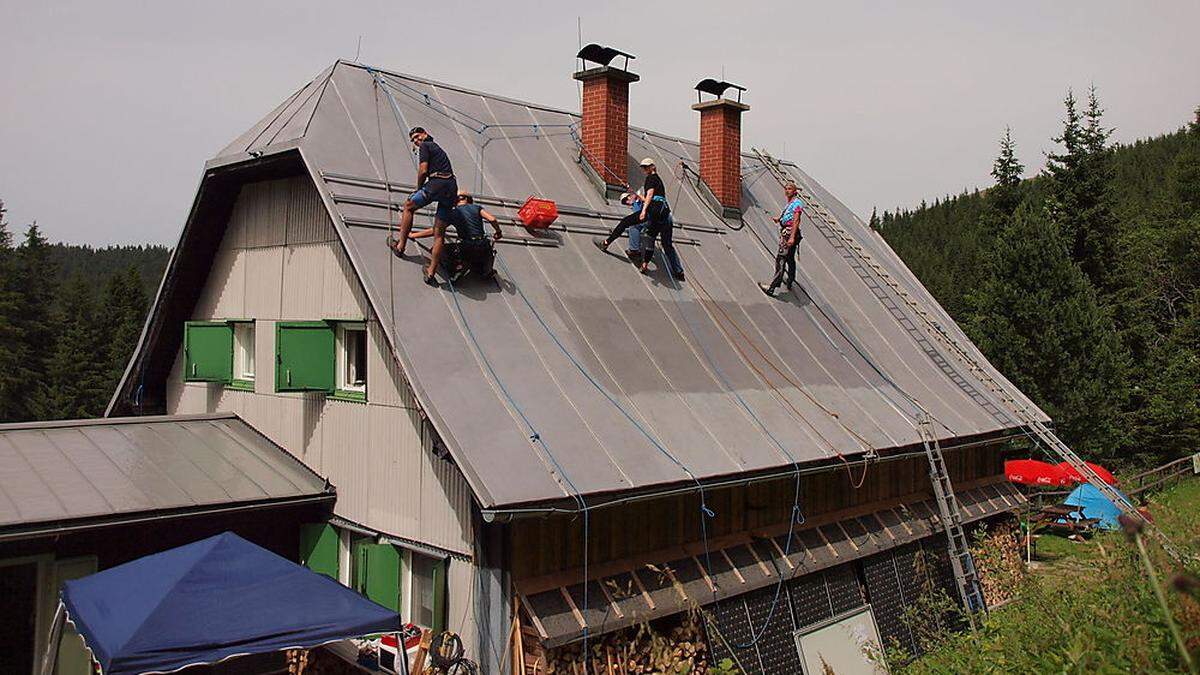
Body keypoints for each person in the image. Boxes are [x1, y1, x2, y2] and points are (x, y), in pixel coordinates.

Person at [391, 127, 458, 287]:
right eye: (413, 139)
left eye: (416, 136)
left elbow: (423, 170)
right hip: (451, 187)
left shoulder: (426, 146)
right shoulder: (439, 149)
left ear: (425, 134)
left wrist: (419, 188)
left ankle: (400, 246)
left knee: (409, 207)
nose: (415, 140)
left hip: (437, 184)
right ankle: (431, 273)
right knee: (439, 233)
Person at [410, 191, 503, 282]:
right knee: (481, 257)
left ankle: (455, 270)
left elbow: (435, 231)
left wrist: (413, 235)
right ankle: (484, 270)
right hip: (484, 246)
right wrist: (498, 232)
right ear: (468, 200)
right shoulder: (476, 208)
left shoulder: (453, 213)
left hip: (467, 247)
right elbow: (492, 219)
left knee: (438, 249)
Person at [635, 158, 685, 281]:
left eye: (646, 167)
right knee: (667, 244)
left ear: (652, 167)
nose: (644, 170)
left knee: (648, 236)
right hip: (666, 215)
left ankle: (644, 262)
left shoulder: (651, 179)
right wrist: (638, 196)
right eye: (644, 167)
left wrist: (643, 210)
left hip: (656, 215)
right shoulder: (658, 181)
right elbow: (652, 197)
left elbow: (650, 195)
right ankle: (678, 271)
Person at [759, 180, 806, 296]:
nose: (787, 190)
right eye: (786, 188)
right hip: (788, 230)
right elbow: (788, 217)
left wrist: (791, 237)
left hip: (789, 232)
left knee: (780, 259)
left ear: (795, 191)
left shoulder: (797, 203)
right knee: (789, 258)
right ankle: (790, 280)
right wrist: (779, 220)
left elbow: (796, 220)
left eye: (789, 188)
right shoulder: (789, 204)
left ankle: (772, 287)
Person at [592, 191, 648, 262]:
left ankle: (634, 251)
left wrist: (637, 195)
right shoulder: (634, 206)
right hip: (645, 222)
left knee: (633, 226)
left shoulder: (639, 200)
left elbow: (645, 200)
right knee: (632, 226)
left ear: (631, 196)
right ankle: (635, 252)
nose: (627, 202)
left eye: (626, 199)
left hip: (650, 219)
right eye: (625, 202)